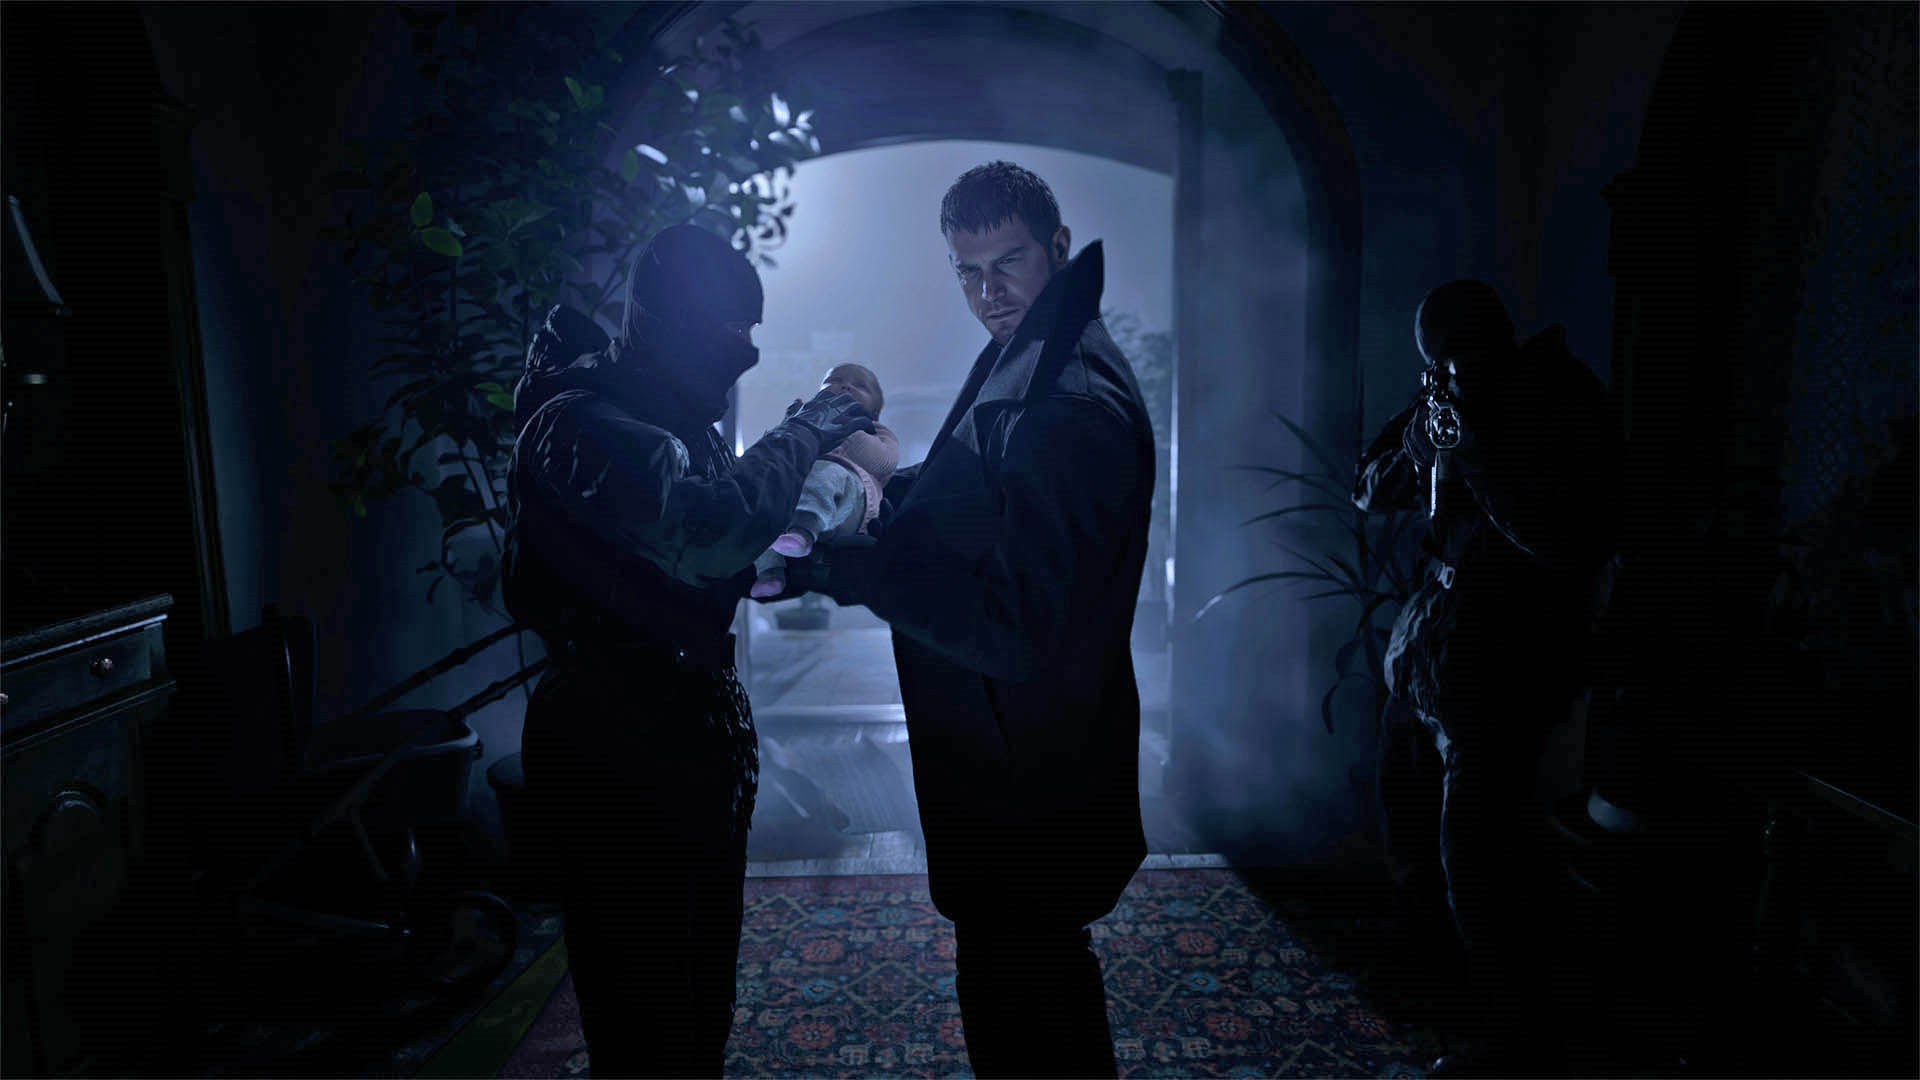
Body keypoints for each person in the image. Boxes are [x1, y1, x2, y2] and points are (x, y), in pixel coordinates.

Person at [771, 161, 1155, 1077]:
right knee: (1026, 982)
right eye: (969, 272)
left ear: (1057, 248)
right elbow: (982, 495)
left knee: (1028, 1000)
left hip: (1031, 766)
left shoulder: (1069, 399)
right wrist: (875, 498)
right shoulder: (1038, 352)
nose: (989, 293)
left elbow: (1020, 627)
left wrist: (848, 567)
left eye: (1009, 263)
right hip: (1018, 755)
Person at [500, 223, 874, 1077]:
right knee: (645, 1011)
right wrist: (808, 429)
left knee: (701, 998)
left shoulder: (661, 413)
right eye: (727, 334)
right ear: (667, 323)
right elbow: (706, 531)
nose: (740, 358)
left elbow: (710, 555)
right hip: (615, 743)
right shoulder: (581, 421)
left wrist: (802, 555)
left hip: (685, 730)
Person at [1352, 280, 1619, 1077]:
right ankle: (1441, 1001)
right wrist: (1419, 446)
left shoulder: (1562, 399)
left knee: (1476, 859)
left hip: (1507, 662)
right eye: (1432, 364)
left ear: (1495, 341)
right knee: (1407, 830)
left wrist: (1476, 457)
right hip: (1428, 653)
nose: (1444, 375)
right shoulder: (1446, 394)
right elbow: (1367, 490)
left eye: (1454, 360)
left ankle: (1510, 1038)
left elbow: (1571, 541)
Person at [751, 362, 900, 598]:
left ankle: (802, 531)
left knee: (826, 472)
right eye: (835, 380)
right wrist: (794, 425)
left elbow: (883, 463)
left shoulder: (877, 431)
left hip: (850, 499)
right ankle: (770, 571)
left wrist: (849, 428)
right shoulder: (810, 419)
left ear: (875, 413)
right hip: (799, 491)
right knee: (763, 496)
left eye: (860, 386)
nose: (846, 386)